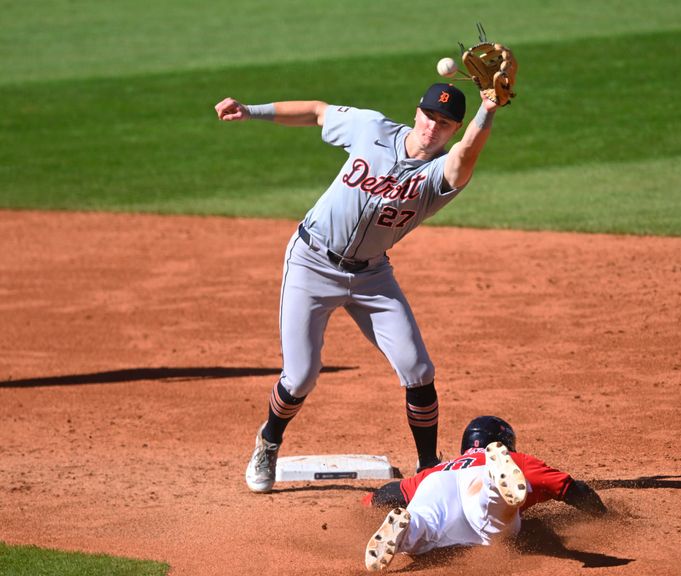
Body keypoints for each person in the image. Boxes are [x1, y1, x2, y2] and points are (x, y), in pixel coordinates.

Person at [214, 82, 503, 493]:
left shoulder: (441, 172)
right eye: (428, 116)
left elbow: (467, 154)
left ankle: (427, 468)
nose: (432, 127)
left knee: (418, 369)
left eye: (444, 123)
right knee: (300, 377)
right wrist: (251, 109)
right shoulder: (371, 128)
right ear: (416, 111)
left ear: (455, 129)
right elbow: (317, 110)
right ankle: (269, 440)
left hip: (372, 277)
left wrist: (488, 110)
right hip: (311, 262)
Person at [363, 416, 607, 571]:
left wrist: (369, 502)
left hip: (436, 484)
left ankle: (408, 528)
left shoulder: (440, 468)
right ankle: (494, 484)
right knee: (493, 516)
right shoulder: (516, 459)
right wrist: (604, 515)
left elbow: (390, 493)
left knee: (422, 524)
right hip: (478, 480)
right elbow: (571, 488)